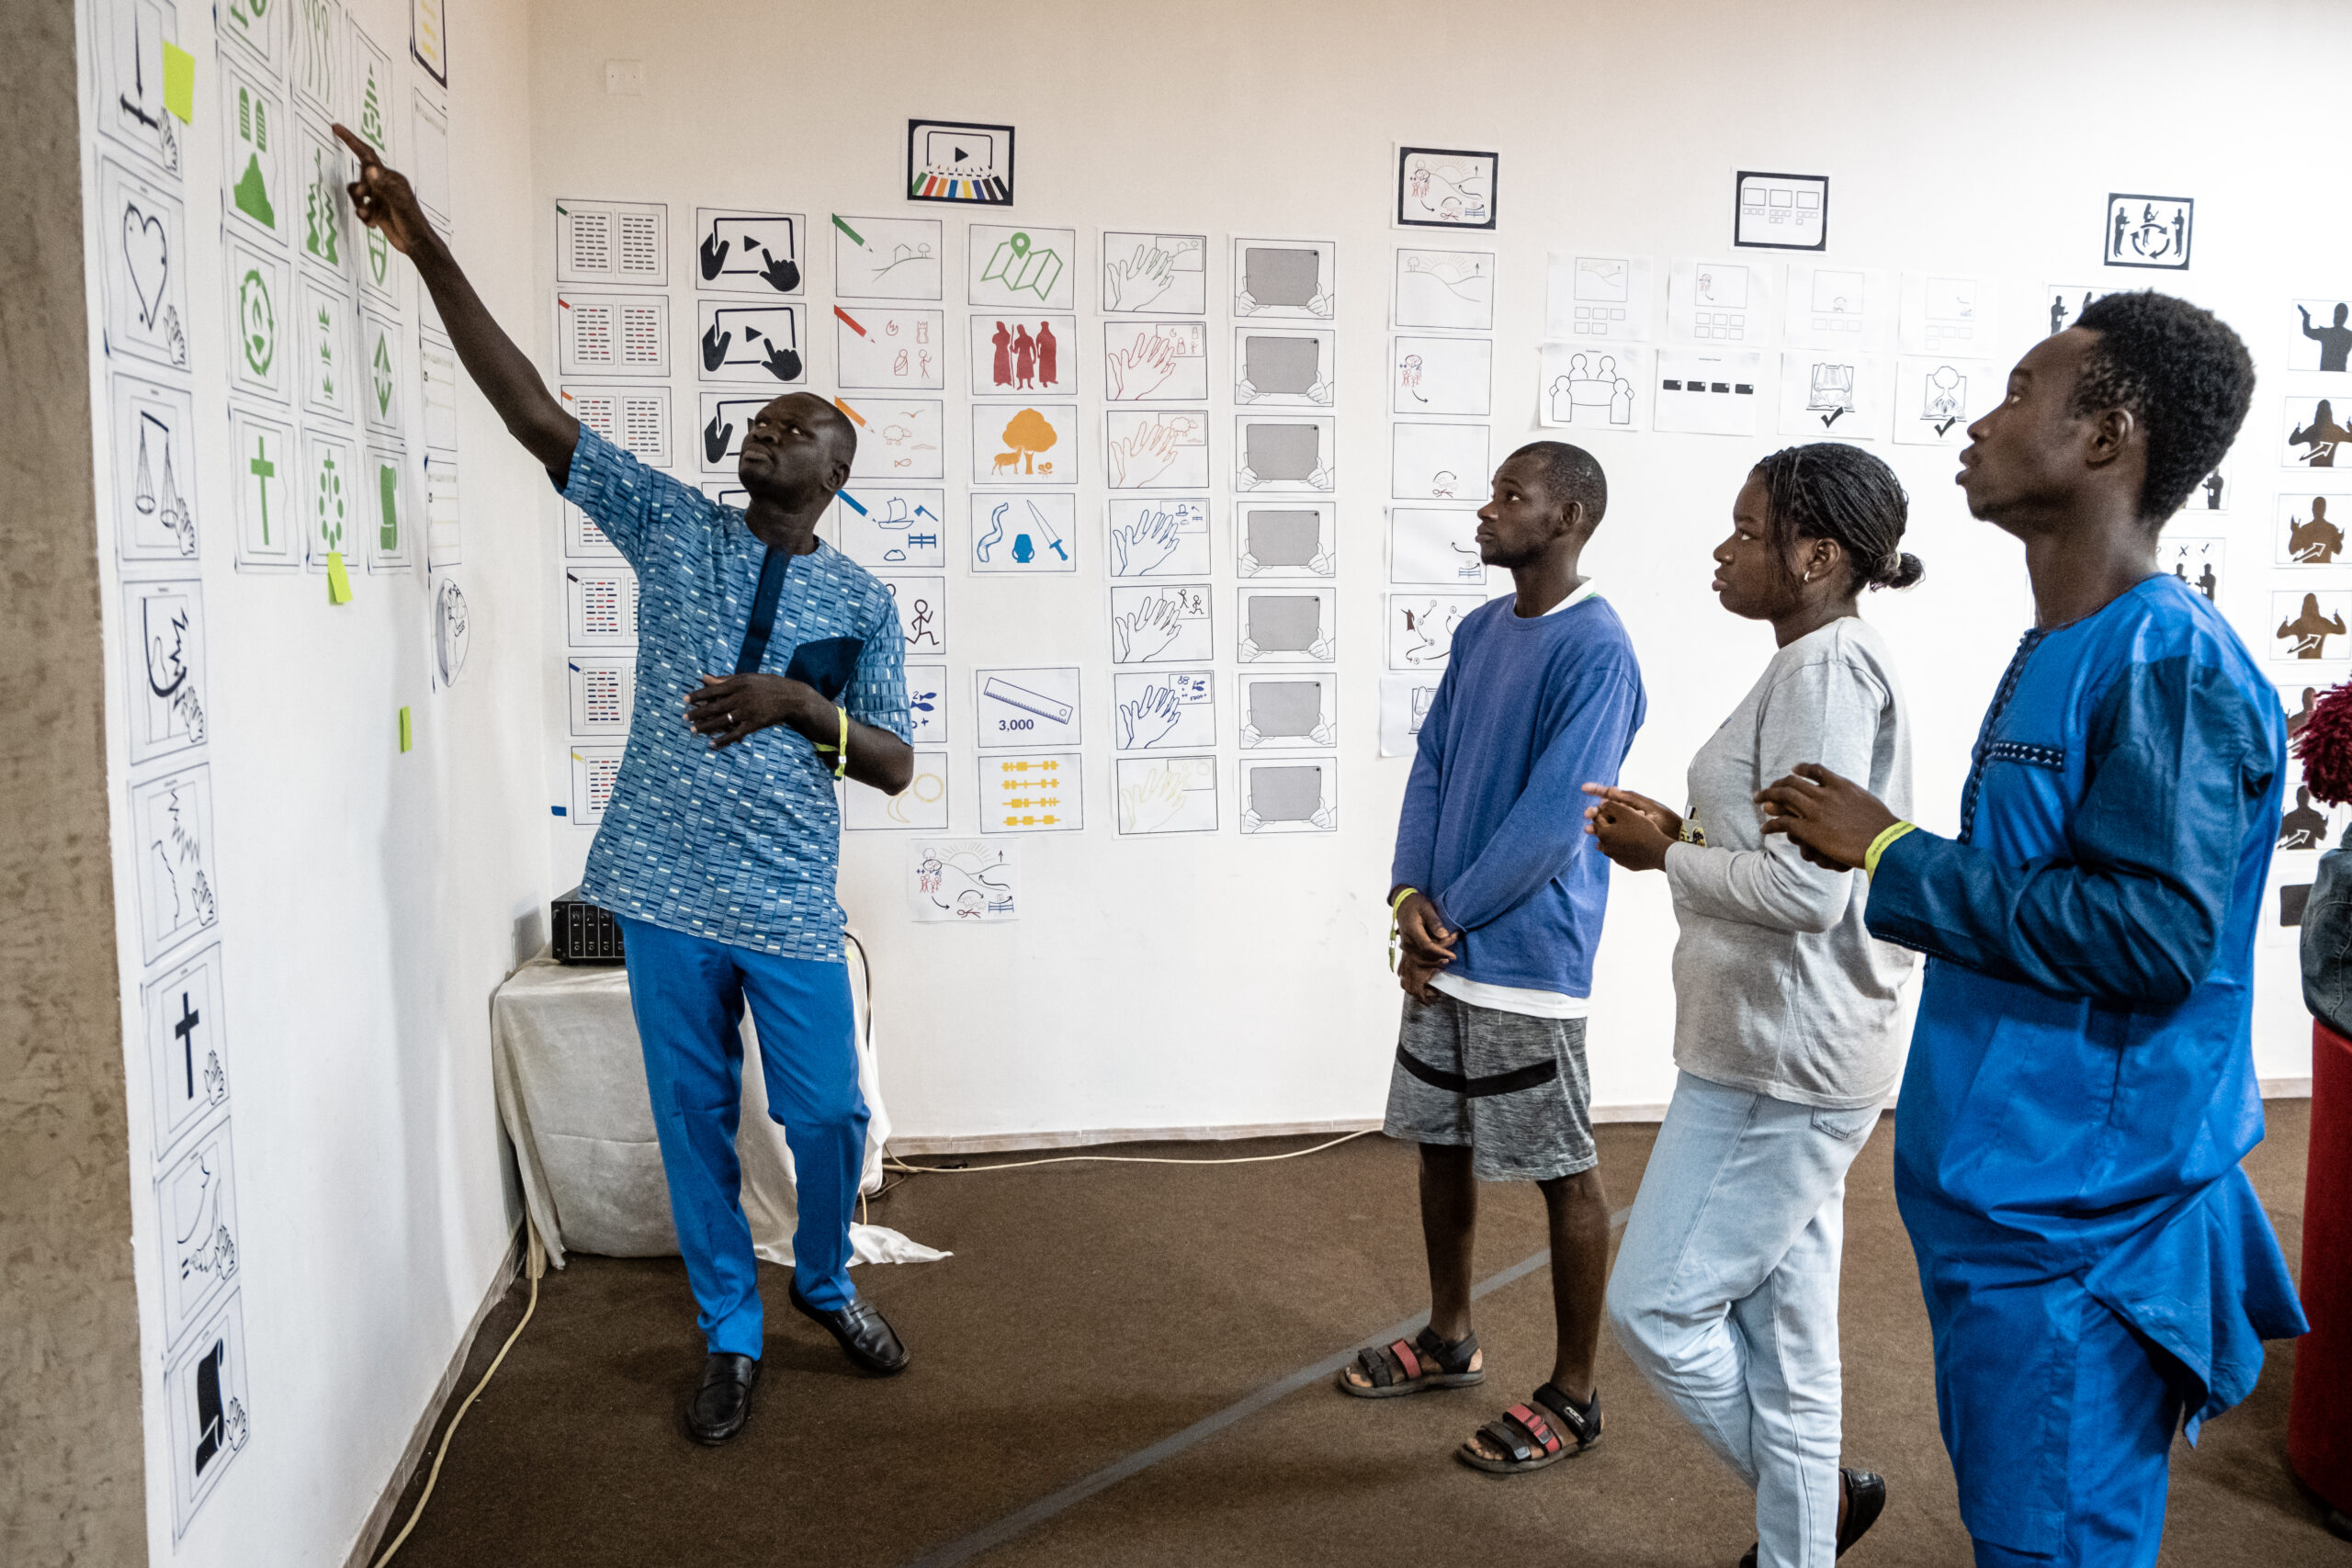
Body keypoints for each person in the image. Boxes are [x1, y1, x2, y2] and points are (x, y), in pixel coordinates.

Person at [335, 125, 922, 1445]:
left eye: (791, 428)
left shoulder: (863, 599)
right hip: (660, 886)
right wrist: (423, 242)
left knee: (826, 1109)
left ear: (832, 474)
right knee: (693, 1118)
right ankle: (730, 1326)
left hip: (782, 901)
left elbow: (892, 762)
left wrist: (798, 703)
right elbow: (534, 414)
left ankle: (822, 1274)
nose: (759, 431)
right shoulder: (674, 526)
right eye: (760, 418)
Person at [1754, 290, 2307, 1566]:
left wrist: (1891, 848)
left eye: (2016, 394)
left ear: (2105, 437)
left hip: (2085, 1220)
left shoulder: (2171, 660)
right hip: (2002, 1198)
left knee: (2053, 1540)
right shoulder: (2063, 643)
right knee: (2019, 1524)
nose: (1980, 422)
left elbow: (2151, 935)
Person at [1586, 443, 1917, 1567]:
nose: (1722, 552)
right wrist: (1678, 837)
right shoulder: (1809, 664)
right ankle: (1800, 1543)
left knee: (1657, 1310)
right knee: (1789, 1344)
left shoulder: (1825, 671)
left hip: (1782, 1062)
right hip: (1785, 1049)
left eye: (1745, 531)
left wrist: (1663, 855)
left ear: (1815, 554)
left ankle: (1813, 1504)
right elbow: (1783, 861)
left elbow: (1806, 891)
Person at [1340, 442, 1647, 1478]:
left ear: (1566, 518)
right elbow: (1431, 768)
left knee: (1563, 1171)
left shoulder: (1598, 650)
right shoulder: (1479, 632)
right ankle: (1448, 1336)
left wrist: (1449, 916)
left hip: (1525, 957)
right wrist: (1406, 897)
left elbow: (1560, 819)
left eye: (1509, 495)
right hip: (1450, 938)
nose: (1484, 509)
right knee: (1440, 1142)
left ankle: (1574, 1392)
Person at [2302, 301, 2352, 374]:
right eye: (2336, 314)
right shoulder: (2347, 335)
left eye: (2339, 315)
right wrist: (2306, 317)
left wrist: (2306, 317)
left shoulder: (2327, 333)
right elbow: (2307, 331)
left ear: (2344, 317)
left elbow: (2307, 331)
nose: (2337, 317)